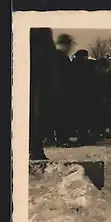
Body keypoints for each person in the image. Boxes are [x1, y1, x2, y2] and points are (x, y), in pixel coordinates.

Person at [29, 28, 61, 160]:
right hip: (38, 75)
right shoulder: (41, 34)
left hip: (35, 73)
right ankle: (35, 147)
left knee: (34, 113)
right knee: (36, 112)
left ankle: (35, 147)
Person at [53, 33, 75, 146]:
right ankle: (62, 139)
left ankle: (57, 138)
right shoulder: (62, 57)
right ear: (67, 44)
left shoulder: (53, 55)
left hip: (56, 91)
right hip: (62, 92)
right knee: (62, 115)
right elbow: (66, 77)